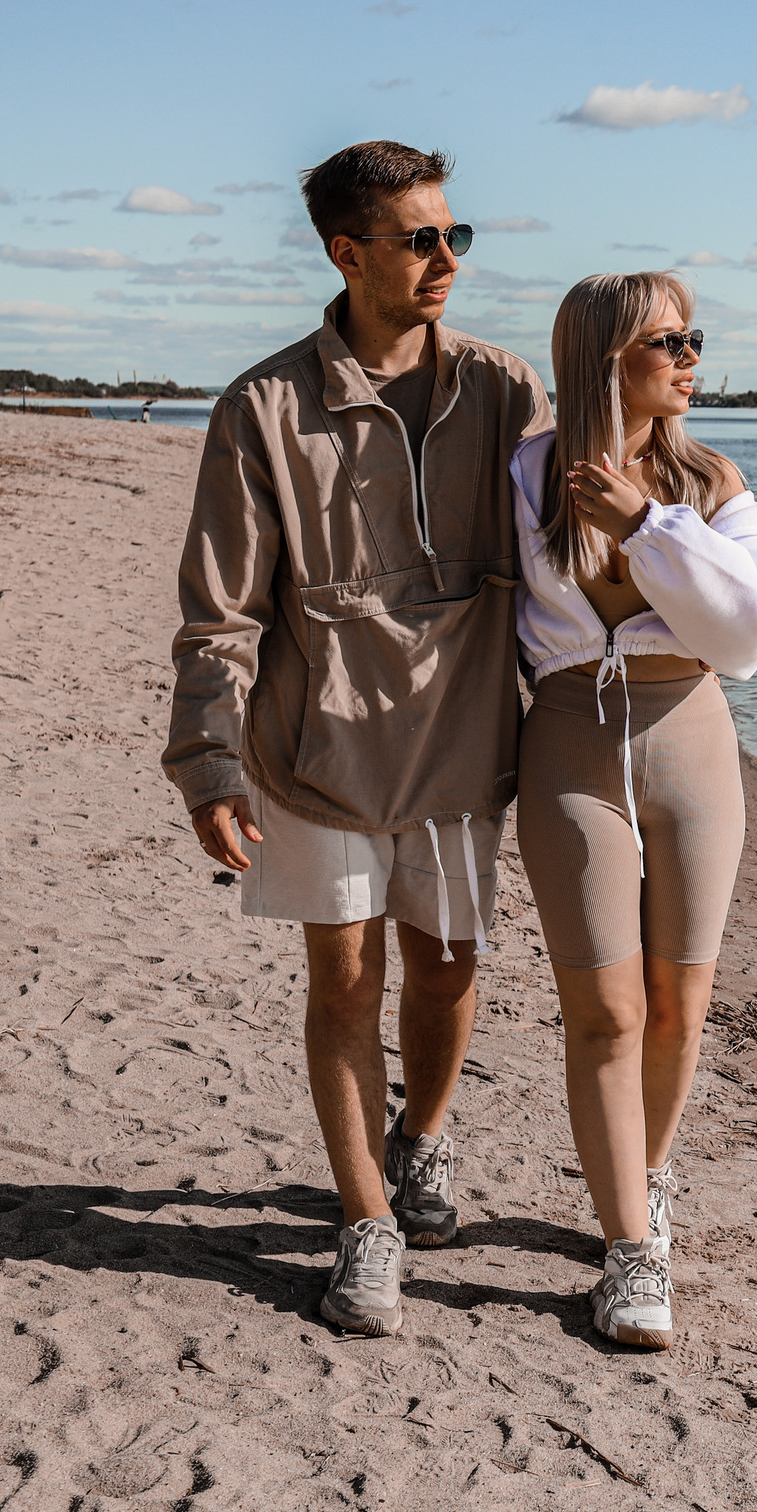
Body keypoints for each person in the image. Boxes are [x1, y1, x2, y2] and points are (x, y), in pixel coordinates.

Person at [167, 141, 548, 1337]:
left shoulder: (504, 390)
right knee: (344, 982)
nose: (446, 258)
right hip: (319, 750)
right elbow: (221, 610)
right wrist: (207, 761)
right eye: (420, 238)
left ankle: (422, 1138)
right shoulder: (264, 407)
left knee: (445, 970)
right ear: (347, 251)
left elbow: (568, 566)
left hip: (464, 745)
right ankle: (367, 1218)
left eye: (454, 235)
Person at [510, 272, 757, 1349]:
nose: (691, 358)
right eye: (668, 342)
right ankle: (632, 1253)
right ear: (606, 359)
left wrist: (648, 527)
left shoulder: (707, 481)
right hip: (567, 741)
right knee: (606, 1011)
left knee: (681, 1005)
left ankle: (643, 1179)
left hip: (692, 741)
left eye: (694, 338)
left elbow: (753, 634)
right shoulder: (525, 474)